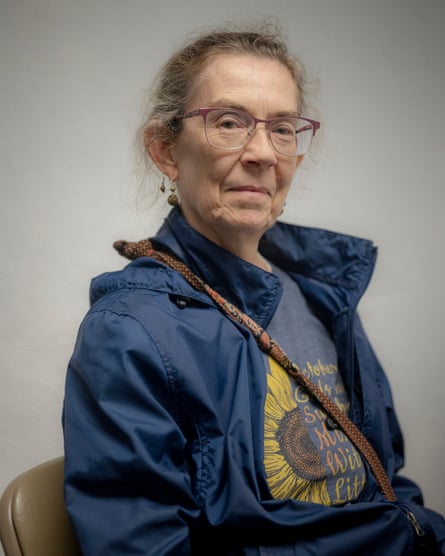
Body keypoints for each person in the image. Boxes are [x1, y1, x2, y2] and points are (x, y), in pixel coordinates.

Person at [62, 21, 445, 556]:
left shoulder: (325, 295)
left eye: (283, 129)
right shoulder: (129, 332)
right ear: (166, 151)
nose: (263, 152)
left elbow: (386, 482)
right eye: (228, 122)